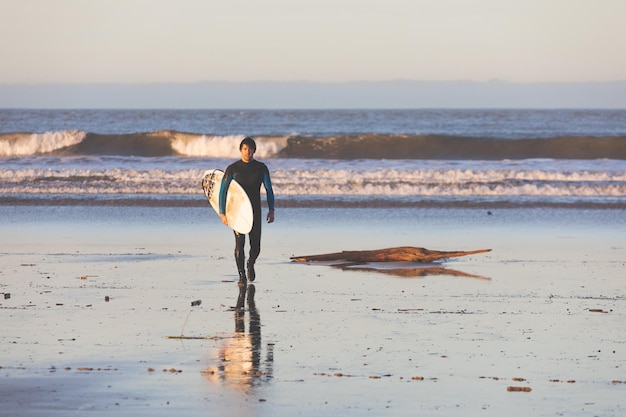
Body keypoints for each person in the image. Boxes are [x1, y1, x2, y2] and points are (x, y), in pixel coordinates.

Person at [219, 137, 275, 283]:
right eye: (244, 149)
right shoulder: (233, 169)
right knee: (239, 243)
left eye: (250, 149)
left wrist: (271, 209)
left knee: (256, 246)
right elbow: (222, 191)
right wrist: (222, 212)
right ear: (240, 150)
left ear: (254, 151)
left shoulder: (261, 168)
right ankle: (241, 275)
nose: (247, 152)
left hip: (255, 210)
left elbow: (269, 190)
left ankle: (250, 263)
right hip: (237, 211)